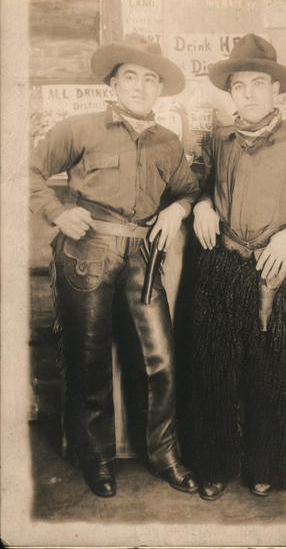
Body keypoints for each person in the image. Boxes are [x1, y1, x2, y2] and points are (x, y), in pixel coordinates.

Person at [30, 33, 199, 498]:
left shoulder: (168, 142)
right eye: (131, 77)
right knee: (89, 365)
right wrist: (59, 212)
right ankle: (98, 460)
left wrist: (177, 209)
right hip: (86, 255)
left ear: (159, 88)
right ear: (113, 82)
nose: (141, 87)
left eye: (150, 79)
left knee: (160, 362)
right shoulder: (80, 128)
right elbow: (25, 170)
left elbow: (187, 190)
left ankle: (164, 455)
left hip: (143, 260)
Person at [191, 33, 286, 501]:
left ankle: (268, 463)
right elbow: (198, 184)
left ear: (277, 90)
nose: (249, 93)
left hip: (284, 273)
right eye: (239, 85)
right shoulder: (218, 141)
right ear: (230, 93)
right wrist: (200, 205)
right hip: (227, 266)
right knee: (216, 370)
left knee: (275, 373)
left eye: (258, 83)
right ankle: (214, 464)